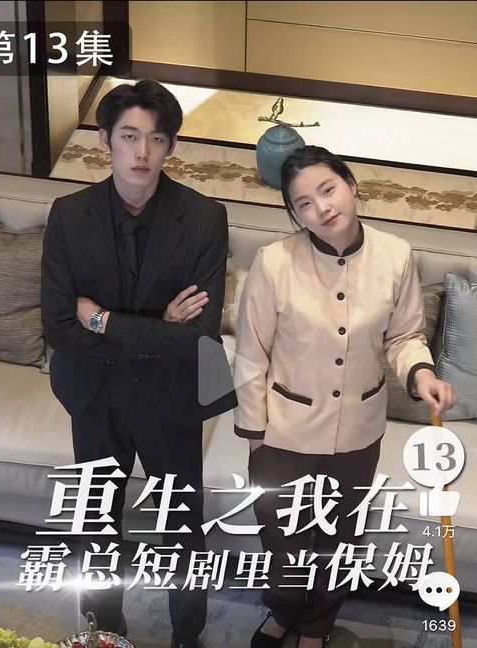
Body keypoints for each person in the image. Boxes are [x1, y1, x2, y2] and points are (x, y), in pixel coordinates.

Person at [233, 145, 456, 648]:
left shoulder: (396, 255)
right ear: (295, 214)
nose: (321, 208)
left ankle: (318, 626)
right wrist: (256, 438)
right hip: (283, 434)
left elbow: (404, 336)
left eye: (328, 189)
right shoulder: (274, 262)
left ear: (351, 185)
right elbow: (250, 354)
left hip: (358, 431)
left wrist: (421, 373)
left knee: (339, 539)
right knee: (282, 541)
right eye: (304, 203)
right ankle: (284, 612)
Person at [41, 79, 236, 648]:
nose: (142, 151)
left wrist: (102, 319)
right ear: (105, 140)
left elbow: (198, 334)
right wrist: (158, 326)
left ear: (171, 146)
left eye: (156, 138)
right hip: (93, 394)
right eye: (129, 136)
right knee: (95, 523)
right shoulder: (68, 214)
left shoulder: (205, 217)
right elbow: (59, 325)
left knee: (182, 528)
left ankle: (187, 636)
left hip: (172, 395)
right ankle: (103, 630)